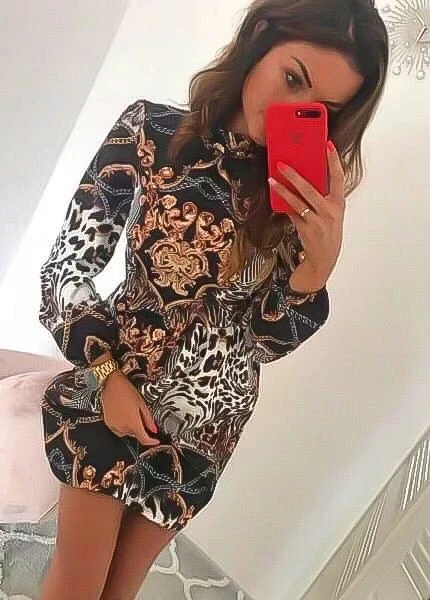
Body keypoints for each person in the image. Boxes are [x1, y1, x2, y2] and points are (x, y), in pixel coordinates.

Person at [38, 0, 388, 598]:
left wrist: (316, 269)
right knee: (75, 588)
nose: (291, 109)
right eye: (293, 78)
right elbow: (67, 266)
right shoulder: (150, 132)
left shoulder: (299, 198)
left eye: (319, 110)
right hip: (115, 386)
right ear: (260, 36)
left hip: (204, 433)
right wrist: (105, 376)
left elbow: (259, 344)